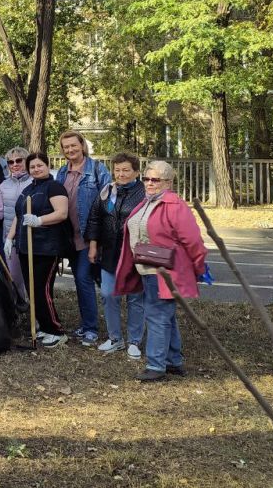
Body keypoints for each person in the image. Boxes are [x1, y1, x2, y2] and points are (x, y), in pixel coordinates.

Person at [114, 160, 207, 382]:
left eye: (155, 179)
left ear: (168, 182)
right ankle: (174, 361)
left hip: (165, 271)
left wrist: (198, 267)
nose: (149, 183)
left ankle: (156, 365)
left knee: (156, 315)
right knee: (165, 315)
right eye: (146, 179)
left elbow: (193, 240)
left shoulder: (174, 205)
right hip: (147, 268)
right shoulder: (147, 202)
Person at [6, 152, 70, 348]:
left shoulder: (54, 187)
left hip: (46, 247)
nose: (36, 169)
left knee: (42, 290)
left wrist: (40, 220)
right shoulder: (28, 189)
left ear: (46, 166)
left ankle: (56, 330)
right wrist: (10, 238)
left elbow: (62, 213)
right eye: (32, 167)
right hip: (26, 247)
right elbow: (19, 215)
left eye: (39, 165)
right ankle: (43, 326)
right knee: (32, 290)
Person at [85, 153, 146, 358]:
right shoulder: (107, 191)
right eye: (117, 170)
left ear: (136, 172)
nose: (121, 174)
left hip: (134, 254)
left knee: (135, 297)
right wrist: (93, 246)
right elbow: (94, 218)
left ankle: (134, 341)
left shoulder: (145, 192)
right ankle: (114, 338)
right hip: (110, 253)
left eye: (126, 170)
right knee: (108, 294)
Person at [55, 130, 111, 346]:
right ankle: (87, 323)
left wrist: (101, 237)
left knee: (84, 279)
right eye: (66, 147)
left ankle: (91, 328)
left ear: (82, 145)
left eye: (73, 145)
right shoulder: (62, 172)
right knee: (82, 281)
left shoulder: (97, 169)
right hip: (70, 237)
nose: (70, 150)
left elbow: (108, 203)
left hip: (91, 237)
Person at [0, 146, 32, 302]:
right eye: (10, 162)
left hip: (33, 238)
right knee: (15, 278)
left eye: (18, 160)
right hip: (11, 239)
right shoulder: (3, 185)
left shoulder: (34, 181)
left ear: (26, 161)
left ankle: (37, 316)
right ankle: (21, 306)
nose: (14, 164)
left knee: (33, 279)